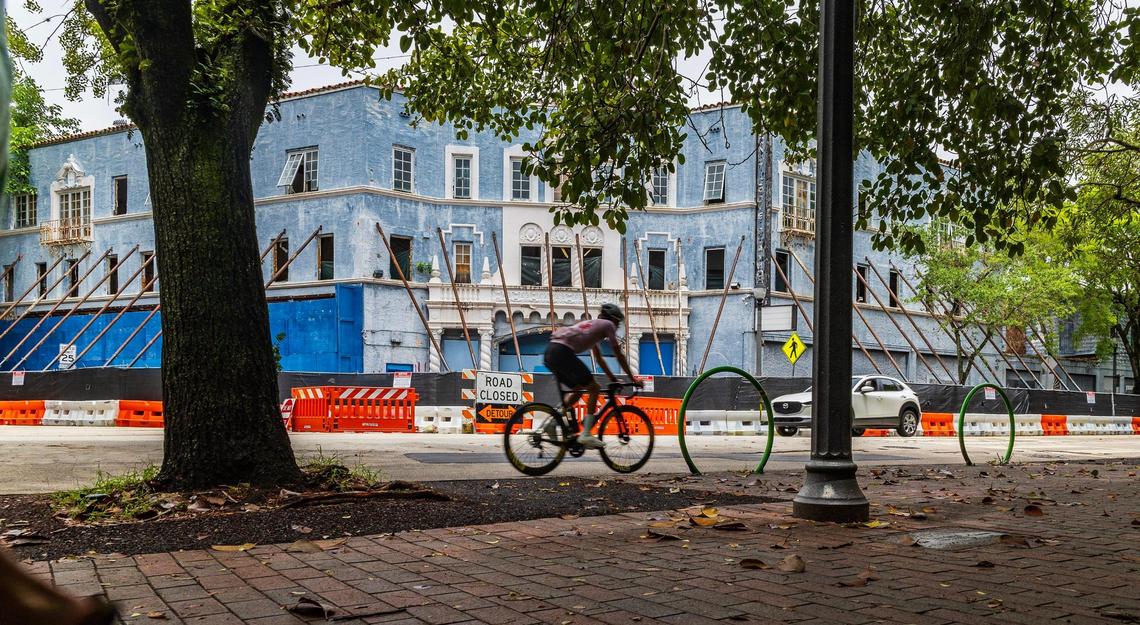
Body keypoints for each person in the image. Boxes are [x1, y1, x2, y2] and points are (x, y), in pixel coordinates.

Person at [543, 303, 641, 448]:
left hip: (551, 352)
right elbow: (618, 354)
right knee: (594, 388)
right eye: (618, 323)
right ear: (614, 319)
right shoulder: (608, 325)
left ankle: (552, 422)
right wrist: (633, 378)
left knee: (578, 388)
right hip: (563, 351)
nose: (617, 326)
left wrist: (613, 379)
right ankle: (586, 434)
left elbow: (599, 360)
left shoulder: (592, 326)